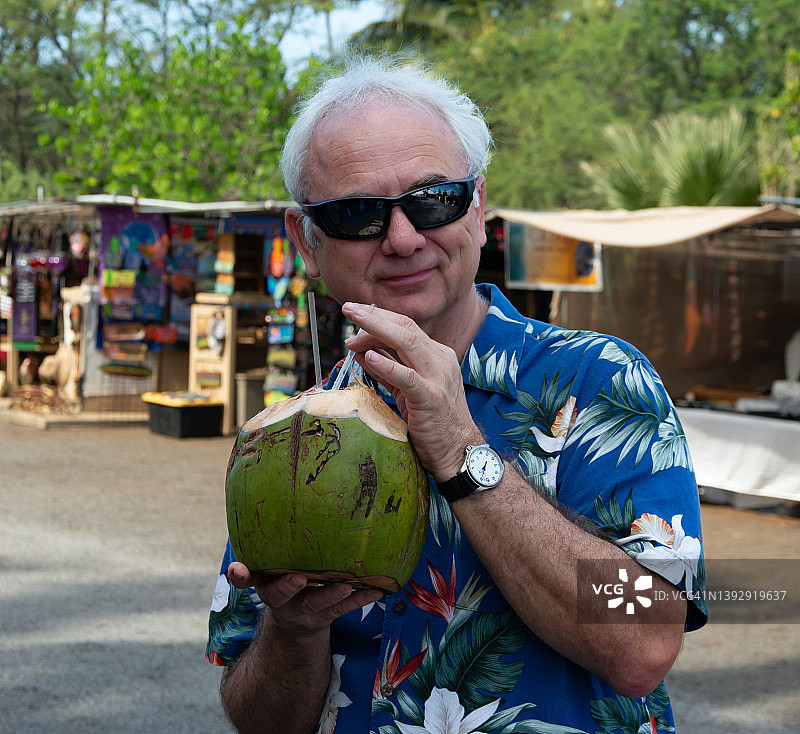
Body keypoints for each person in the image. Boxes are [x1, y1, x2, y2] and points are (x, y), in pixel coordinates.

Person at [206, 53, 707, 734]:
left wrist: (463, 450)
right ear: (306, 239)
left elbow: (645, 643)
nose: (404, 238)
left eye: (433, 200)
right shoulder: (290, 436)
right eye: (358, 214)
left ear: (477, 207)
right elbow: (257, 718)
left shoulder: (603, 384)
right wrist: (292, 632)